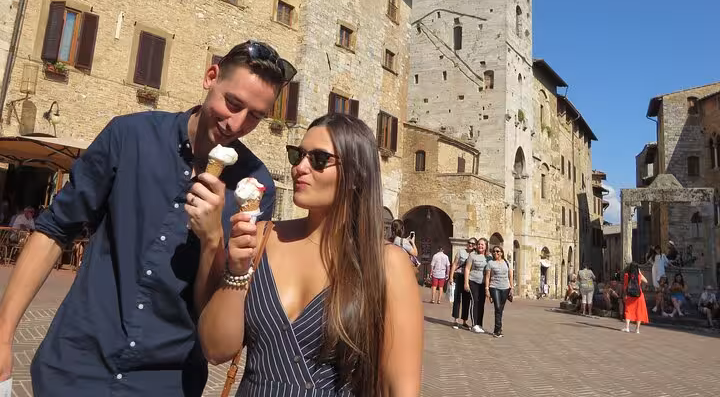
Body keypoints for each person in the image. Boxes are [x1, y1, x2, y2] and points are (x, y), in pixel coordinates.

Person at [0, 41, 294, 395]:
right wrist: (3, 335)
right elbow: (55, 229)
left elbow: (214, 310)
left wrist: (213, 240)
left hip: (167, 380)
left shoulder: (255, 185)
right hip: (77, 364)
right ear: (210, 77)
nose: (237, 124)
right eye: (232, 104)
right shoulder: (129, 136)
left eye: (256, 117)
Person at [198, 113, 423, 396]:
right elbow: (216, 349)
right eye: (297, 155)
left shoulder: (387, 263)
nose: (299, 168)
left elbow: (399, 388)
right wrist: (237, 270)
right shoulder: (262, 236)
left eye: (318, 159)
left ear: (356, 175)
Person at [485, 245, 513, 338]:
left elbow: (510, 276)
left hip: (505, 287)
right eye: (494, 251)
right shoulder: (490, 263)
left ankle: (497, 330)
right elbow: (488, 276)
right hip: (494, 287)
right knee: (497, 307)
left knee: (501, 308)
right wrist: (487, 289)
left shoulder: (507, 262)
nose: (495, 253)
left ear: (501, 252)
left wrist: (511, 288)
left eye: (498, 251)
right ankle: (497, 330)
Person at [464, 237, 489, 333]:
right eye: (479, 244)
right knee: (474, 301)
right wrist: (466, 283)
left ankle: (479, 324)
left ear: (486, 246)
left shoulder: (488, 257)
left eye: (482, 244)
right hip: (473, 281)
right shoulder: (472, 255)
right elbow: (467, 268)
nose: (480, 246)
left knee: (481, 303)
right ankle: (474, 324)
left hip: (483, 283)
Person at [449, 238, 475, 329]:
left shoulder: (474, 254)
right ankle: (455, 320)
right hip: (459, 275)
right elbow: (455, 264)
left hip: (468, 278)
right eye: (469, 243)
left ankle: (464, 321)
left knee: (466, 300)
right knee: (457, 298)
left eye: (473, 243)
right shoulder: (461, 252)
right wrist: (451, 277)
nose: (470, 244)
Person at [622, 262, 649, 333]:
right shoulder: (639, 276)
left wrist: (625, 295)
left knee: (628, 310)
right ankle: (637, 329)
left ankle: (627, 327)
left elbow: (625, 286)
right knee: (639, 311)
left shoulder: (627, 275)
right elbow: (646, 281)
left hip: (630, 295)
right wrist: (639, 273)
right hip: (639, 295)